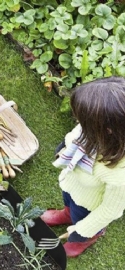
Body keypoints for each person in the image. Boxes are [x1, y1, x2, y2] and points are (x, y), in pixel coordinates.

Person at [41, 76, 125, 257]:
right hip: (73, 182)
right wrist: (63, 149)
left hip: (90, 204)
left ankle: (85, 239)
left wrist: (82, 229)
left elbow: (110, 210)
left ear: (108, 130)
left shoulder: (120, 174)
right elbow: (74, 135)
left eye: (83, 121)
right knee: (69, 200)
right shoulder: (91, 131)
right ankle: (67, 214)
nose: (78, 122)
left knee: (82, 220)